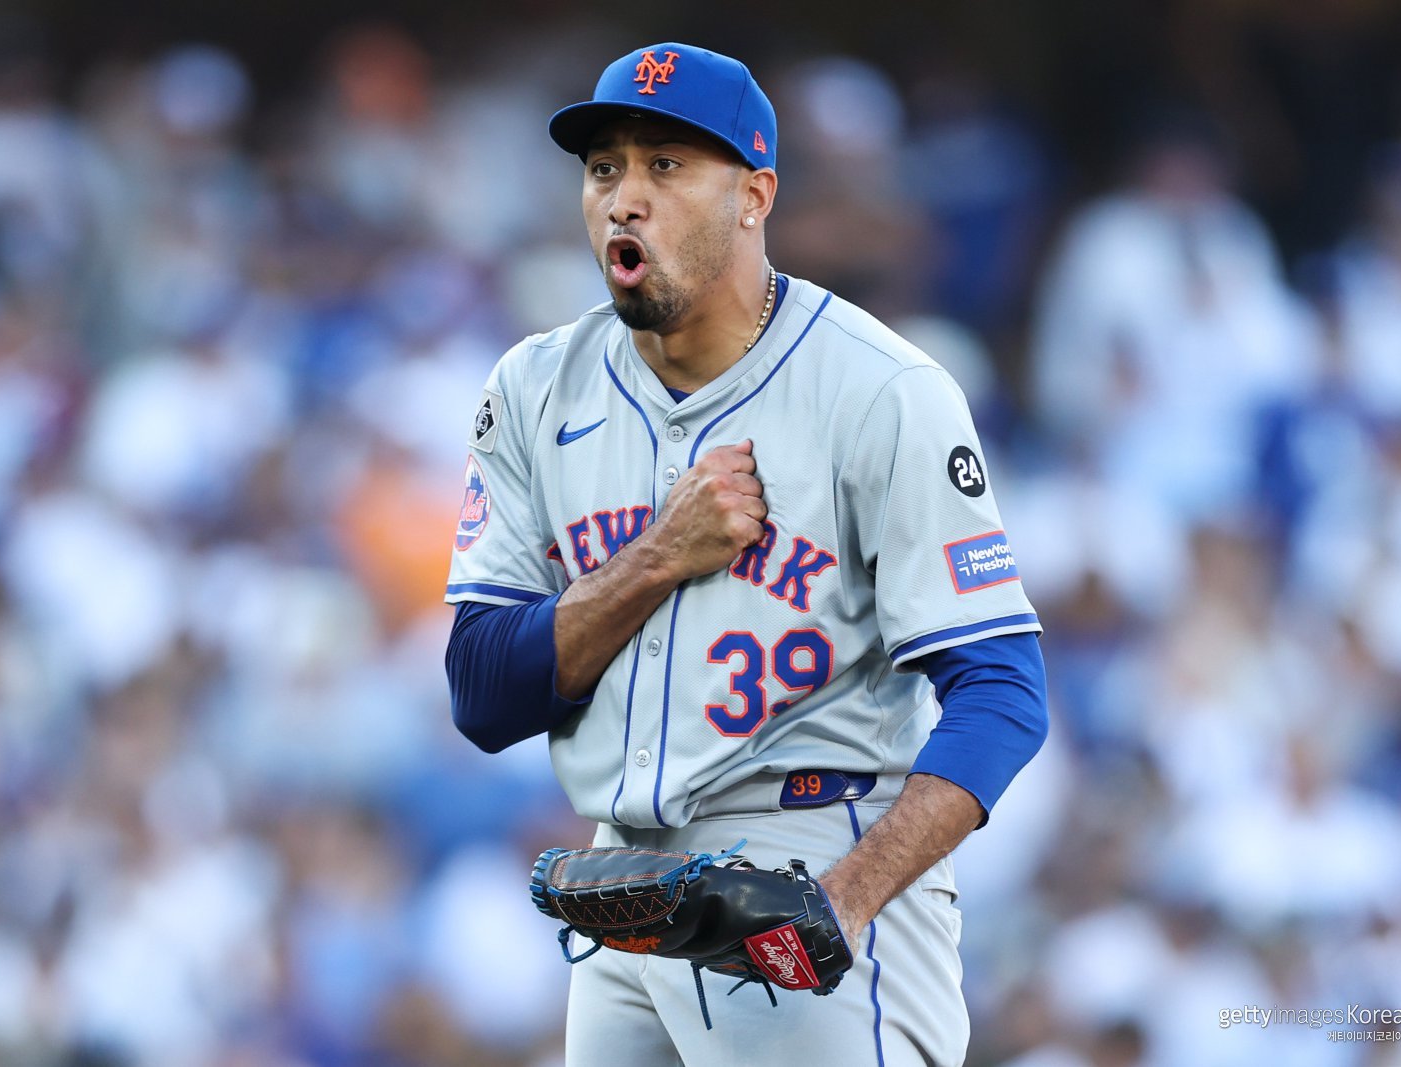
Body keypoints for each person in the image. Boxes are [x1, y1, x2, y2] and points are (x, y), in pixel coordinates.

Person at [444, 41, 1047, 1067]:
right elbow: (483, 693)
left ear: (754, 196)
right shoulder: (536, 387)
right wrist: (654, 558)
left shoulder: (881, 390)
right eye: (604, 168)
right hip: (625, 881)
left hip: (811, 855)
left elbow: (1003, 692)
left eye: (666, 166)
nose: (625, 198)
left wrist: (846, 896)